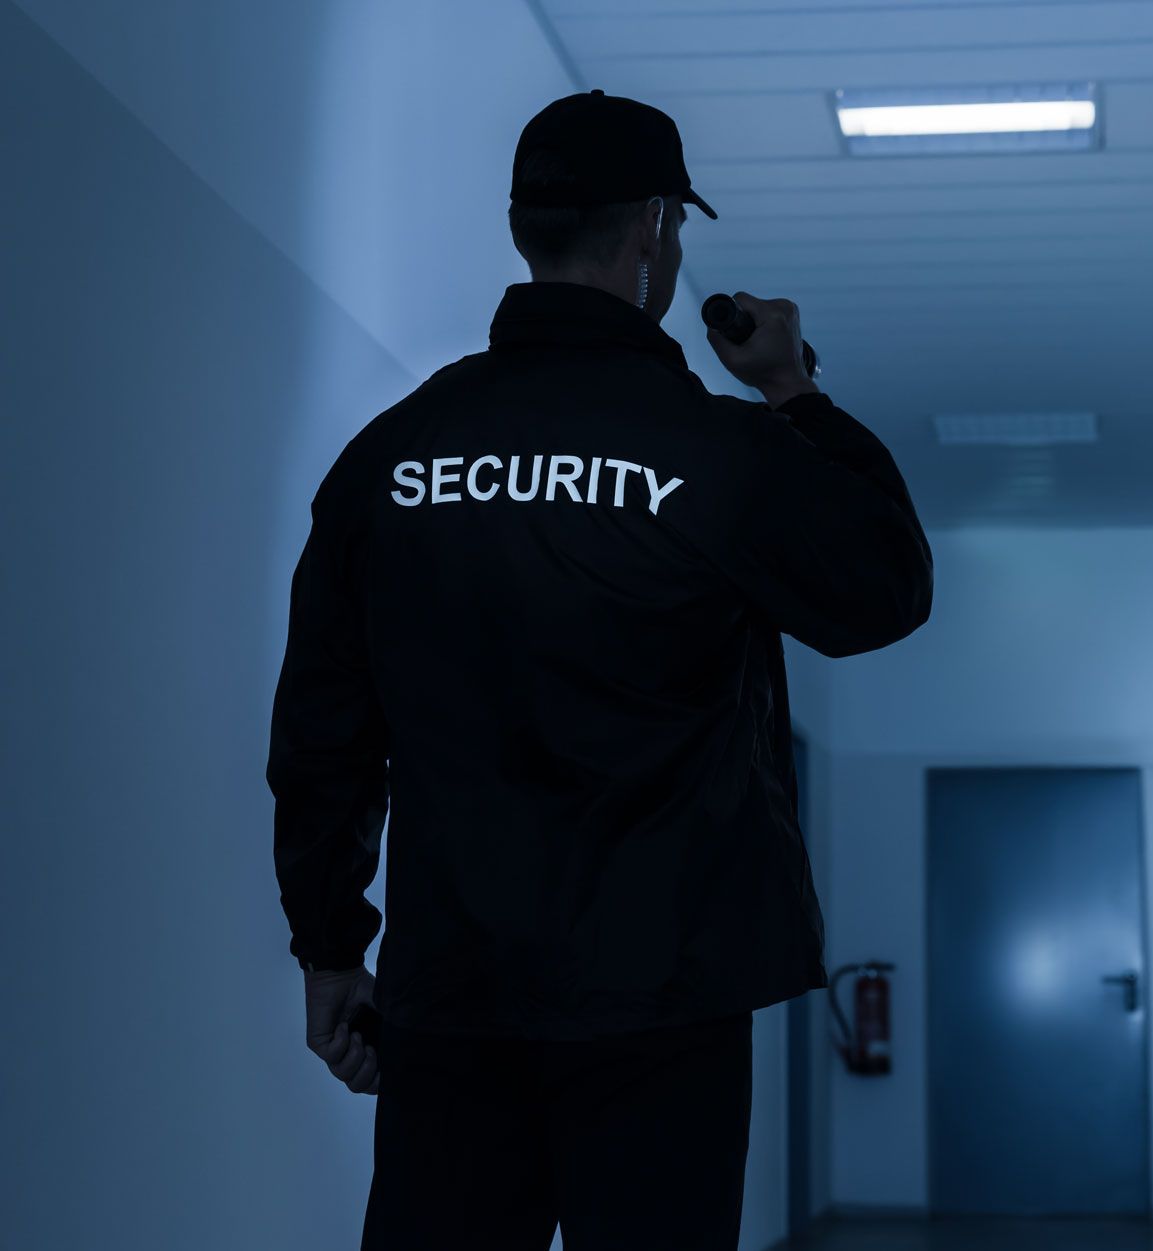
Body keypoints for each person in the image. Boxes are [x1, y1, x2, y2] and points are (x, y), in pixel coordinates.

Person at [266, 88, 933, 1250]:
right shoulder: (718, 453)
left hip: (454, 995)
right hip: (663, 1002)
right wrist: (792, 392)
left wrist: (329, 947)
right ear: (654, 234)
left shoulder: (389, 458)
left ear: (525, 230)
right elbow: (882, 590)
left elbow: (324, 731)